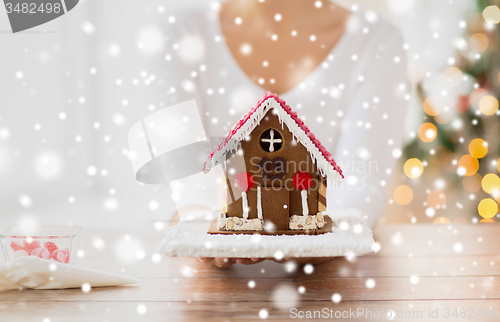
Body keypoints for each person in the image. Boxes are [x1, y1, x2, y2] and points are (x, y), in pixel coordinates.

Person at [163, 0, 408, 267]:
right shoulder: (181, 33)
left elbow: (361, 178)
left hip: (324, 282)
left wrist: (316, 235)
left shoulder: (377, 41)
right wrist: (205, 225)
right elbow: (183, 172)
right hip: (211, 281)